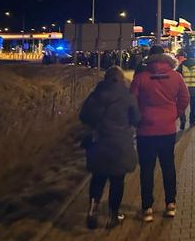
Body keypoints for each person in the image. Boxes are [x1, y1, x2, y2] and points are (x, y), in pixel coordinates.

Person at [130, 47, 189, 222]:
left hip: (145, 131)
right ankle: (170, 204)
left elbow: (131, 102)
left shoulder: (140, 78)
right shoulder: (176, 77)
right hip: (167, 130)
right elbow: (184, 99)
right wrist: (174, 114)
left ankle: (147, 208)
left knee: (147, 170)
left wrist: (139, 119)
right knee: (168, 167)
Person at [79, 66, 140, 229]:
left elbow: (83, 115)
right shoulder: (128, 97)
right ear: (121, 79)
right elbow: (136, 119)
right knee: (117, 181)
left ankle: (92, 210)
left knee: (98, 178)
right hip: (119, 145)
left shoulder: (96, 94)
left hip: (99, 144)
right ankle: (113, 216)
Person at [176, 48, 195, 129]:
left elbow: (178, 75)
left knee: (182, 107)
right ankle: (192, 121)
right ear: (194, 56)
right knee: (193, 107)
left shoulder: (182, 65)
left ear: (186, 56)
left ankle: (183, 122)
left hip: (184, 90)